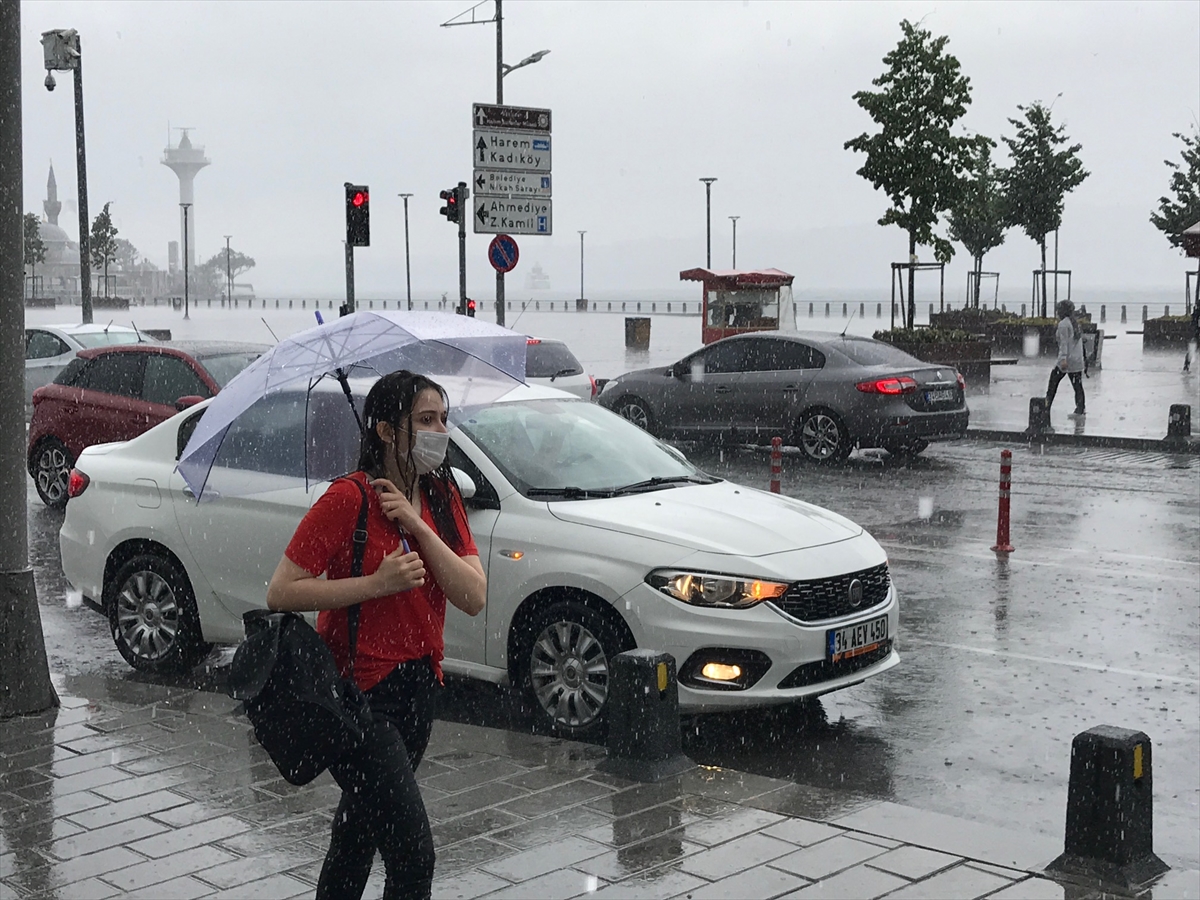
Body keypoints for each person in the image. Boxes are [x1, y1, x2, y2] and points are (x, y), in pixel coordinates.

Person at [265, 370, 486, 900]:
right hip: (361, 699)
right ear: (387, 431)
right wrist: (376, 584)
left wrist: (417, 523)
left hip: (420, 689)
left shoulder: (441, 493)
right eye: (426, 420)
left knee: (357, 837)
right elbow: (281, 591)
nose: (440, 432)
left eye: (444, 419)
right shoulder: (349, 498)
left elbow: (473, 595)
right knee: (413, 855)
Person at [1046, 299, 1086, 419]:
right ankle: (1080, 409)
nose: (1057, 312)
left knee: (1053, 383)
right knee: (1077, 386)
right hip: (1077, 360)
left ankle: (1046, 407)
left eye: (1058, 309)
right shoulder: (1074, 323)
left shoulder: (1063, 324)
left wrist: (1063, 359)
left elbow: (1064, 344)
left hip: (1067, 360)